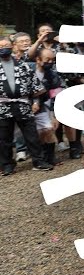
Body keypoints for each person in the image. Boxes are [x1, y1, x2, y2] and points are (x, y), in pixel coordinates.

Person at [0, 35, 51, 174]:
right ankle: (7, 165)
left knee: (32, 135)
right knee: (4, 138)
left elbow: (35, 86)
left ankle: (38, 161)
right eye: (0, 47)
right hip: (2, 106)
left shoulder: (23, 65)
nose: (3, 49)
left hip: (23, 104)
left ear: (12, 47)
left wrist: (35, 101)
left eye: (6, 46)